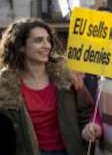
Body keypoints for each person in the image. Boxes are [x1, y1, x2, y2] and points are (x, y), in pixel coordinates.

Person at [0, 18, 101, 155]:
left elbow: (87, 111)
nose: (46, 45)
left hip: (70, 151)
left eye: (48, 40)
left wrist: (88, 128)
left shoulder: (67, 78)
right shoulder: (4, 86)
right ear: (21, 47)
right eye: (38, 40)